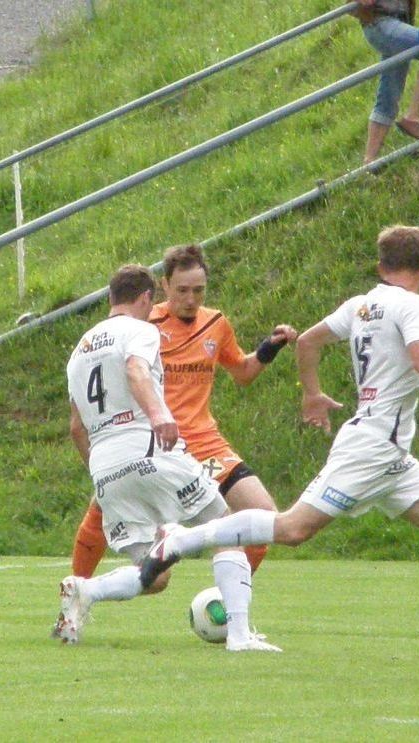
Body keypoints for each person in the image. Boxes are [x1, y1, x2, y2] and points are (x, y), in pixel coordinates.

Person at [140, 226, 419, 670]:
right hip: (370, 448)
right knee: (292, 529)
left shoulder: (360, 304)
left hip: (392, 454)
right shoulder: (411, 304)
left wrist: (312, 394)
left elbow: (308, 341)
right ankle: (179, 540)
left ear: (381, 267)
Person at [53, 264, 280, 651]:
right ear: (145, 298)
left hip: (105, 467)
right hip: (148, 447)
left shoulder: (79, 350)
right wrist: (159, 416)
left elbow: (77, 427)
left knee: (154, 576)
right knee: (227, 526)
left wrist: (98, 473)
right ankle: (240, 636)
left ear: (110, 297)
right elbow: (136, 369)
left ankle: (86, 589)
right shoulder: (142, 330)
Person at [68, 244, 297, 580]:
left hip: (204, 443)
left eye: (199, 290)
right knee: (100, 513)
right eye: (183, 290)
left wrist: (269, 347)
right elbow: (128, 372)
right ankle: (77, 589)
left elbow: (243, 373)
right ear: (164, 286)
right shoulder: (143, 324)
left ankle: (223, 605)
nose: (191, 299)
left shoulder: (216, 323)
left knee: (262, 521)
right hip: (153, 444)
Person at [356, 0, 419, 162]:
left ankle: (369, 161)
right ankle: (412, 116)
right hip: (382, 24)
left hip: (391, 24)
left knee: (389, 91)